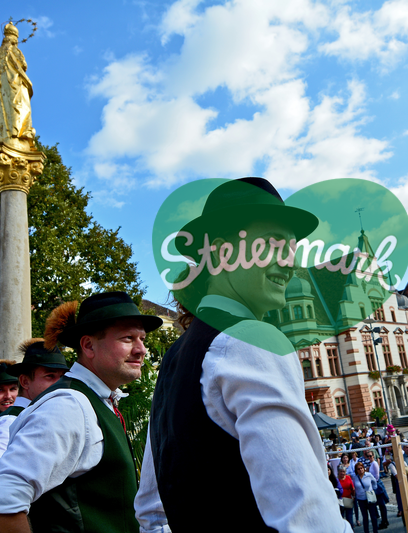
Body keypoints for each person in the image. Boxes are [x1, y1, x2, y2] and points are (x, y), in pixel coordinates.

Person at [138, 178, 350, 532]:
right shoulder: (252, 339)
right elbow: (308, 517)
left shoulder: (175, 357)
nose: (290, 263)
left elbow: (151, 508)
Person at [0, 291, 163, 533]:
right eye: (128, 338)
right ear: (88, 345)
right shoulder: (69, 406)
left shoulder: (96, 401)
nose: (141, 349)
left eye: (142, 339)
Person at [0, 339, 69, 487]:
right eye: (50, 376)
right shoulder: (7, 423)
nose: (59, 383)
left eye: (62, 377)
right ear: (25, 381)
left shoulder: (44, 416)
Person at [0, 23, 36, 151]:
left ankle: (5, 134)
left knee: (3, 108)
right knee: (21, 107)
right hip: (15, 85)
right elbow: (24, 65)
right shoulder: (14, 50)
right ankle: (18, 134)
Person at [352, 462, 381, 533]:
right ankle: (366, 531)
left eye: (361, 468)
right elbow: (354, 487)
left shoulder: (368, 475)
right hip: (361, 499)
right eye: (358, 469)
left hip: (370, 498)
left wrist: (372, 490)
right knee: (365, 517)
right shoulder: (355, 478)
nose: (360, 470)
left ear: (363, 468)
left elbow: (374, 482)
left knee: (373, 516)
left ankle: (375, 531)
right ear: (356, 470)